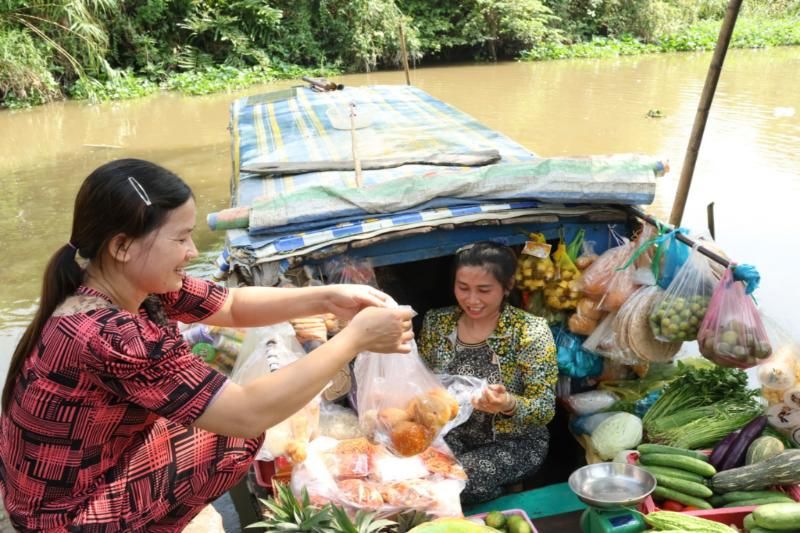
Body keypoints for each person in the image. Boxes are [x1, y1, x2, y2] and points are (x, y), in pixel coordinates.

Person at [0, 158, 414, 532]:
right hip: (64, 517)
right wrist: (354, 340)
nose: (192, 252)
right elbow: (248, 414)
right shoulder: (113, 334)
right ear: (122, 245)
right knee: (235, 435)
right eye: (180, 239)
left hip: (53, 487)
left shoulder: (121, 283)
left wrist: (325, 298)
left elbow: (230, 304)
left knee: (212, 408)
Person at [417, 241, 557, 504]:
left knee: (453, 482)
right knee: (415, 474)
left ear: (507, 286)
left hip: (514, 443)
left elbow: (545, 408)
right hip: (452, 435)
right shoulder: (436, 323)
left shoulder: (530, 332)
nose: (472, 300)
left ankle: (503, 493)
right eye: (463, 288)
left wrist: (508, 403)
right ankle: (497, 492)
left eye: (484, 290)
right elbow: (422, 382)